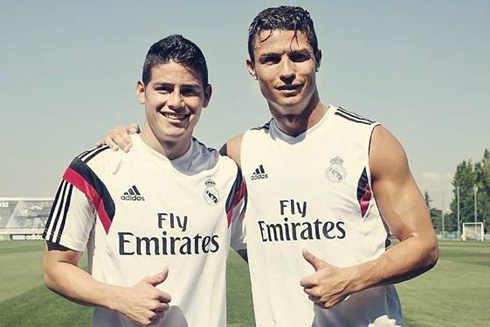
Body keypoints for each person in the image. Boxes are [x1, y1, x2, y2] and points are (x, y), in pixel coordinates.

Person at [102, 6, 438, 327]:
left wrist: (352, 278)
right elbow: (172, 174)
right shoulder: (238, 155)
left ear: (318, 60)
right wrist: (127, 143)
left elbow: (423, 245)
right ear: (252, 68)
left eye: (299, 56)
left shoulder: (369, 142)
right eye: (271, 59)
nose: (287, 71)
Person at [43, 35, 246, 327]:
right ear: (142, 91)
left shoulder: (226, 175)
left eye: (188, 91)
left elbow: (271, 249)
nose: (175, 102)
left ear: (207, 96)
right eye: (163, 88)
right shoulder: (95, 169)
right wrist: (119, 298)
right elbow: (55, 268)